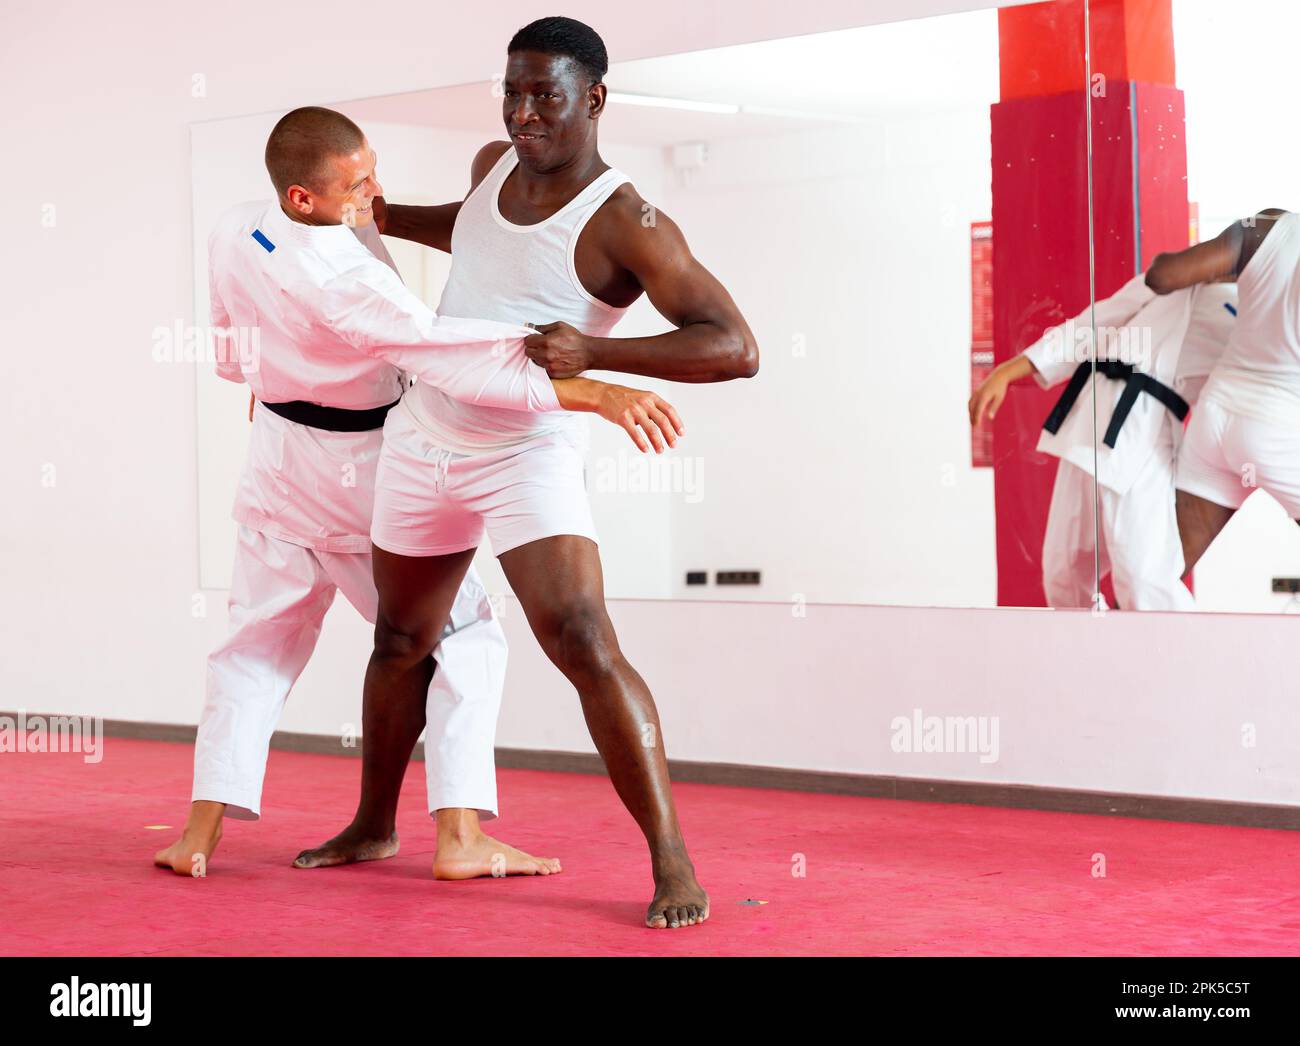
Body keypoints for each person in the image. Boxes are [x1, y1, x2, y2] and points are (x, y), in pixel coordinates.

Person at [293, 17, 758, 930]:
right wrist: (384, 218)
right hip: (425, 432)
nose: (523, 113)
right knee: (399, 638)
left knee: (583, 639)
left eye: (545, 94)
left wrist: (597, 353)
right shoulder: (490, 164)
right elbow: (469, 237)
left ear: (595, 99)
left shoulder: (626, 221)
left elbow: (734, 346)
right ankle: (374, 824)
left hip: (526, 450)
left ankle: (672, 862)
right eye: (512, 92)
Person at [155, 105, 680, 879]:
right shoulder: (348, 280)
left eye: (373, 166)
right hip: (358, 467)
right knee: (464, 632)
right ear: (306, 200)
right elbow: (448, 355)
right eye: (357, 181)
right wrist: (592, 391)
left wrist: (263, 383)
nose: (376, 189)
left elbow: (231, 336)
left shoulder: (238, 226)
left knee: (254, 642)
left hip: (274, 455)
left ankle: (199, 831)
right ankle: (460, 834)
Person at [971, 271, 1236, 609]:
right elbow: (1095, 323)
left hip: (1147, 431)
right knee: (1063, 571)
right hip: (1086, 423)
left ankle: (1181, 658)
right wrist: (1009, 370)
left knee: (1144, 578)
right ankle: (1086, 657)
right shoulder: (1178, 273)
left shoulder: (1263, 310)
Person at [1145, 209, 1300, 571]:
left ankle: (1117, 626)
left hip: (1214, 423)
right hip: (1277, 428)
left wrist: (1230, 270)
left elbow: (1162, 276)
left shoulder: (1268, 226)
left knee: (1162, 576)